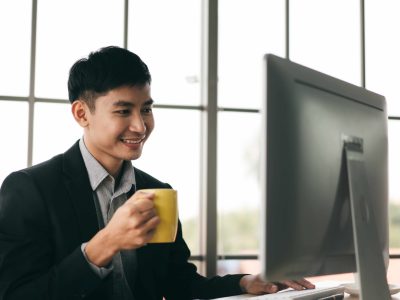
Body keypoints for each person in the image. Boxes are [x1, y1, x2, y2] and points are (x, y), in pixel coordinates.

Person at [0, 46, 314, 300]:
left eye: (146, 109)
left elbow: (179, 284)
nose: (140, 126)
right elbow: (17, 295)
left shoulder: (156, 191)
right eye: (124, 111)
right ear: (82, 113)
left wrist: (245, 283)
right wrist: (104, 245)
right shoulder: (29, 190)